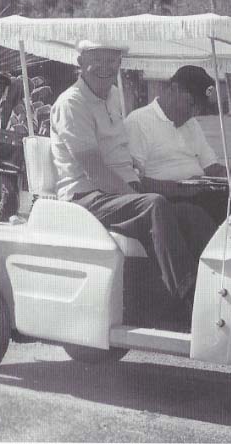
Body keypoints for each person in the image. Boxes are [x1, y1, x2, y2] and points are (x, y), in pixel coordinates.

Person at [50, 41, 215, 307]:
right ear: (80, 62)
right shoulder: (72, 104)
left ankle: (217, 285)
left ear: (119, 65)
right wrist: (136, 193)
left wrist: (137, 189)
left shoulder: (113, 95)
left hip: (114, 194)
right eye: (97, 59)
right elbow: (95, 171)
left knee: (190, 212)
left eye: (112, 61)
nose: (105, 67)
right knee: (154, 205)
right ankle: (186, 296)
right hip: (86, 197)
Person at [125, 65, 231, 224]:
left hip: (202, 196)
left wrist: (224, 173)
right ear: (174, 89)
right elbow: (134, 182)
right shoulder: (138, 122)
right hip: (168, 202)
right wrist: (180, 188)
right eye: (191, 104)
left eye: (199, 107)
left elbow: (210, 166)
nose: (194, 113)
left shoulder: (192, 125)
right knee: (198, 217)